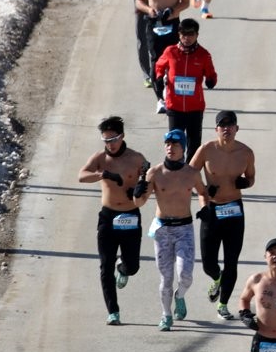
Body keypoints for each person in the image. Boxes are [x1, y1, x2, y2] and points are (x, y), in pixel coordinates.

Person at [77, 116, 150, 325]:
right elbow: (81, 176)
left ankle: (124, 269)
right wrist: (102, 174)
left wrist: (138, 192)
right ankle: (113, 311)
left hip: (130, 216)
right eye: (106, 140)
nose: (110, 144)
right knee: (105, 265)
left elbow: (147, 184)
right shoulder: (100, 158)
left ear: (122, 136)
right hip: (108, 217)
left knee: (133, 266)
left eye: (114, 139)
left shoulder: (136, 158)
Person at [132, 128, 207, 331]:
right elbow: (140, 202)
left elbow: (202, 192)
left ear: (183, 147)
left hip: (184, 229)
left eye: (175, 144)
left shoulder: (191, 173)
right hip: (162, 229)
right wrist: (137, 192)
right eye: (167, 144)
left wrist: (204, 208)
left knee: (186, 275)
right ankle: (166, 315)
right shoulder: (155, 173)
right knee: (166, 278)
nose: (170, 148)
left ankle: (180, 296)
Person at [190, 109, 256, 320]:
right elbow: (189, 175)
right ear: (216, 129)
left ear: (237, 128)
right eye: (222, 125)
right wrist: (202, 192)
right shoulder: (206, 150)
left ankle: (223, 304)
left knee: (231, 261)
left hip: (234, 210)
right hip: (212, 209)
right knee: (208, 261)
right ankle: (216, 278)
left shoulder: (246, 152)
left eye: (230, 125)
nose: (226, 129)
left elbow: (251, 177)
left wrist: (245, 183)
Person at [136, 0, 191, 114]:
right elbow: (139, 0)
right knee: (156, 60)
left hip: (172, 24)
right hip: (153, 25)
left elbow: (186, 1)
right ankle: (159, 98)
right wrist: (148, 10)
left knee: (174, 59)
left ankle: (174, 94)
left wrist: (173, 11)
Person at [155, 17, 218, 161]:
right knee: (175, 143)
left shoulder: (203, 55)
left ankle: (190, 175)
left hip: (195, 108)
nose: (187, 38)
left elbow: (211, 74)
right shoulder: (170, 52)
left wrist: (210, 80)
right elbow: (159, 65)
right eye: (184, 34)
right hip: (175, 106)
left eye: (191, 34)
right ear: (179, 34)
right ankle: (175, 173)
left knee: (194, 145)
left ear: (197, 35)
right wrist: (159, 78)